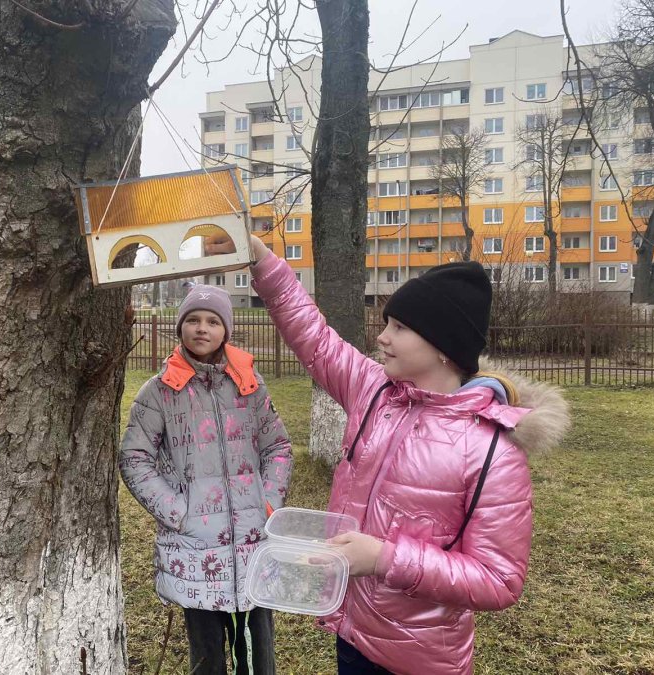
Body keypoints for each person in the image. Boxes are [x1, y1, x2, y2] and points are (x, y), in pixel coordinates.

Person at [239, 235, 570, 675]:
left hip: (420, 658)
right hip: (353, 634)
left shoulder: (491, 449)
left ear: (442, 346)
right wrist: (263, 264)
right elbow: (314, 338)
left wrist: (383, 559)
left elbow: (499, 580)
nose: (382, 336)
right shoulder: (375, 390)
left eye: (399, 327)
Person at [119, 284, 293, 675]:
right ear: (180, 327)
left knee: (256, 651)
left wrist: (268, 503)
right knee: (206, 655)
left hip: (251, 544)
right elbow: (134, 457)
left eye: (213, 321)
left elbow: (278, 447)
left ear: (226, 330)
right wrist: (177, 511)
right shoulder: (159, 392)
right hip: (195, 550)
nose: (202, 329)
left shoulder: (250, 385)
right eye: (193, 320)